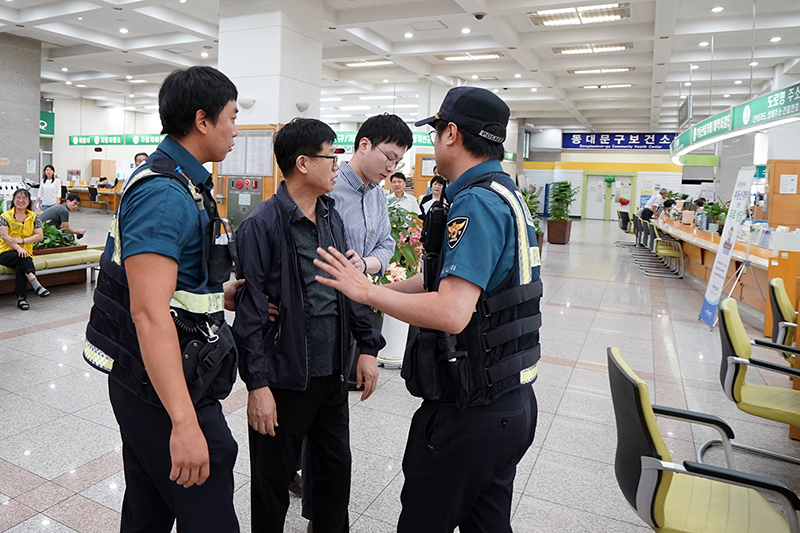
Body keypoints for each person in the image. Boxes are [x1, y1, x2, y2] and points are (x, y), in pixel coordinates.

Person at [314, 86, 541, 533]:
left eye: (436, 134)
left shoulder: (476, 202)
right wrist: (388, 286)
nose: (433, 145)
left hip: (469, 410)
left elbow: (454, 311)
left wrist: (369, 293)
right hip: (510, 403)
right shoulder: (505, 193)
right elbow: (445, 281)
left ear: (452, 133)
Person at [82, 66, 241, 533]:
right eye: (231, 116)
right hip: (162, 386)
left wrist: (220, 294)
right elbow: (149, 312)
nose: (235, 129)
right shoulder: (165, 193)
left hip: (155, 376)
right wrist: (185, 422)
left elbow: (169, 290)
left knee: (148, 507)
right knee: (207, 510)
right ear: (203, 120)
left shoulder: (181, 182)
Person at [233, 117, 383, 533]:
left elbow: (351, 287)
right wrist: (258, 387)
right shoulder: (261, 227)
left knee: (335, 478)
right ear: (302, 163)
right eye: (330, 156)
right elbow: (250, 317)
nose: (338, 165)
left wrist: (367, 348)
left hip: (331, 377)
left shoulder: (332, 217)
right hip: (283, 381)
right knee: (271, 484)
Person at [328, 113, 413, 277]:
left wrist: (363, 263)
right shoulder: (329, 187)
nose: (391, 168)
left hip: (359, 295)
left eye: (397, 162)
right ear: (365, 145)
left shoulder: (378, 195)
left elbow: (386, 244)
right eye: (390, 158)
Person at [0, 189, 50, 310]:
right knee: (22, 257)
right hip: (5, 252)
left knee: (21, 265)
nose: (21, 200)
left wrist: (22, 242)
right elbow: (5, 236)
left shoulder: (33, 217)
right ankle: (35, 284)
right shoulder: (5, 216)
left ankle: (22, 299)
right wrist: (18, 248)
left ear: (28, 202)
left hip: (25, 254)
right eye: (18, 197)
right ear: (13, 200)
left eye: (24, 198)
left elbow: (39, 236)